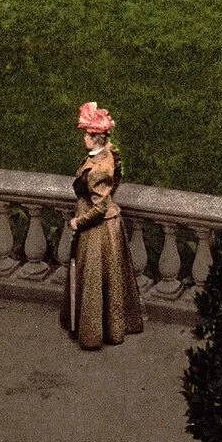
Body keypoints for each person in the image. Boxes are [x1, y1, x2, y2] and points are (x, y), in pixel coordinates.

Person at [63, 102, 144, 348]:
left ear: (97, 138)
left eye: (88, 135)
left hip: (97, 230)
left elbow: (98, 207)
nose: (84, 139)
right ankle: (112, 327)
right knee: (109, 280)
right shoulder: (109, 153)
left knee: (94, 280)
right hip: (110, 227)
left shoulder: (98, 169)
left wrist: (78, 221)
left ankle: (92, 333)